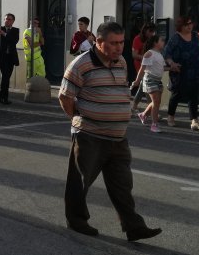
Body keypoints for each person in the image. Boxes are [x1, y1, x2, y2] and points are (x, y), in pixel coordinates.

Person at [59, 21, 162, 241]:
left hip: (118, 137)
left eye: (121, 42)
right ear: (98, 42)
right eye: (113, 43)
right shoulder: (81, 64)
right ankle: (76, 220)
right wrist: (79, 118)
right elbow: (65, 97)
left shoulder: (122, 62)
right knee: (80, 181)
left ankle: (133, 226)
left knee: (123, 185)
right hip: (89, 135)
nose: (119, 47)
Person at [164, 16, 199, 129]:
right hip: (180, 70)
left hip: (195, 70)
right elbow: (167, 53)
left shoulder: (196, 36)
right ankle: (170, 116)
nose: (190, 26)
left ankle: (194, 120)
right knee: (177, 94)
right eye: (187, 24)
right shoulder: (175, 38)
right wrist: (172, 64)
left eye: (191, 23)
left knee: (194, 95)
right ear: (181, 26)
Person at [132, 35, 167, 133]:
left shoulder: (159, 54)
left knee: (156, 102)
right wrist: (137, 81)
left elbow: (162, 68)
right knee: (156, 102)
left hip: (158, 80)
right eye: (161, 40)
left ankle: (143, 115)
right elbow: (142, 69)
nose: (163, 42)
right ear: (155, 43)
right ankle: (154, 125)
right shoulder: (149, 53)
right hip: (150, 79)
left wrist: (173, 68)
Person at [0, 13, 20, 105]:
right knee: (5, 77)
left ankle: (3, 97)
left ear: (13, 21)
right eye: (5, 19)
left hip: (11, 58)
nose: (7, 21)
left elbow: (14, 41)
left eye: (9, 19)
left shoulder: (15, 30)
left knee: (7, 77)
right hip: (2, 57)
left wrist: (4, 34)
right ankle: (3, 97)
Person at [129, 22, 156, 111]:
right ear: (144, 31)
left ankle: (134, 106)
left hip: (150, 65)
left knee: (142, 86)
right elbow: (134, 55)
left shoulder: (152, 39)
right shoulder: (137, 39)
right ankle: (151, 108)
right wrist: (145, 58)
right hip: (140, 65)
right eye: (150, 31)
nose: (152, 33)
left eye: (153, 31)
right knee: (147, 86)